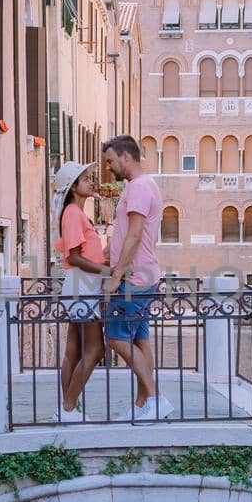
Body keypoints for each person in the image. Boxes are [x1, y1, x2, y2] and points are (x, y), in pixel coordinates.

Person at [101, 134, 173, 421]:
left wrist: (117, 275)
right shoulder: (139, 186)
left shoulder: (140, 187)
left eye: (110, 160)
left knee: (115, 338)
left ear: (125, 157)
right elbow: (123, 234)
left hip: (135, 279)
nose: (108, 167)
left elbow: (135, 233)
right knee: (140, 340)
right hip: (143, 276)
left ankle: (155, 398)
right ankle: (144, 404)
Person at [52, 160, 107, 419]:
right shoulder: (73, 213)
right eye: (85, 179)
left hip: (82, 285)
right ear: (73, 186)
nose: (91, 181)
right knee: (95, 350)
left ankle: (67, 409)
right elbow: (73, 257)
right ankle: (69, 407)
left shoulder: (76, 213)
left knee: (73, 351)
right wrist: (107, 271)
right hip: (82, 287)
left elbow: (85, 254)